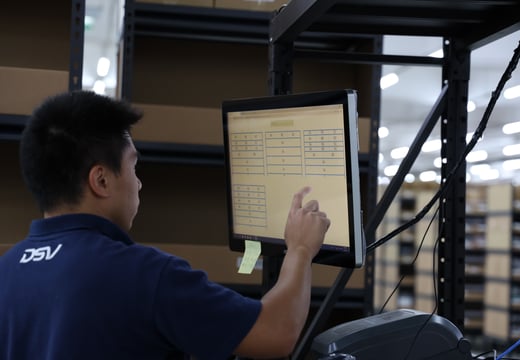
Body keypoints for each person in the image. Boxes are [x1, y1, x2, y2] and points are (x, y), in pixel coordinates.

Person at [0, 90, 331, 360]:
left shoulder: (6, 271)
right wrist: (300, 250)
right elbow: (275, 334)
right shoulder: (143, 275)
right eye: (133, 167)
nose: (139, 184)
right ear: (101, 179)